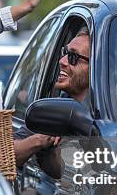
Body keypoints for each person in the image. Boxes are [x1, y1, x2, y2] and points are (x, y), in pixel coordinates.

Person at [14, 27, 91, 171]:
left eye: (73, 57)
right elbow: (5, 157)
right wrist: (40, 140)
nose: (62, 61)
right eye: (64, 53)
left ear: (94, 67)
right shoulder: (52, 109)